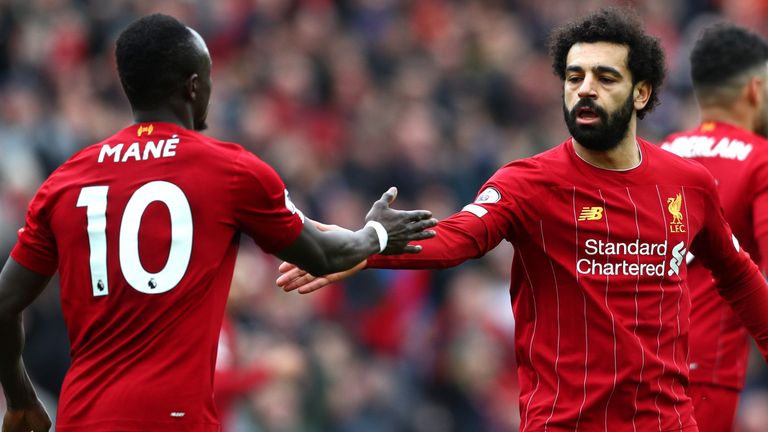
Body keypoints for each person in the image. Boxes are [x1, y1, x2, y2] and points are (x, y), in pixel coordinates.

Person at [277, 8, 768, 431]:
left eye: (605, 77)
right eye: (574, 77)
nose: (585, 90)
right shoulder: (528, 183)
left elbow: (739, 276)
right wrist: (368, 244)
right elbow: (456, 239)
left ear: (642, 94)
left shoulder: (688, 183)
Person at [0, 14, 437, 432]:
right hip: (173, 421)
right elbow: (324, 257)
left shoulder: (65, 181)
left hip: (84, 418)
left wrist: (20, 397)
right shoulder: (229, 171)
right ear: (194, 86)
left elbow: (4, 304)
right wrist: (379, 233)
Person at [658, 23, 768, 432]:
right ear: (755, 89)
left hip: (634, 362)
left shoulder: (660, 153)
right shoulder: (760, 160)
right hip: (705, 372)